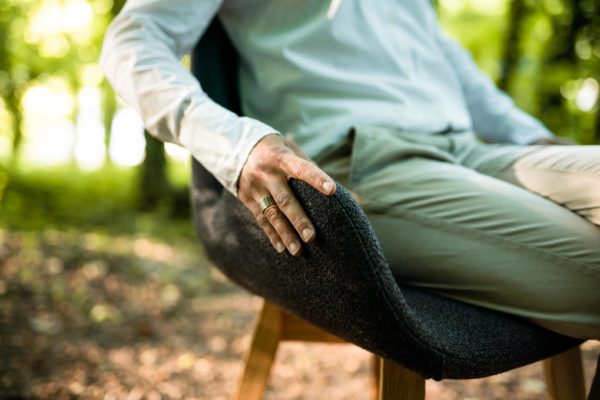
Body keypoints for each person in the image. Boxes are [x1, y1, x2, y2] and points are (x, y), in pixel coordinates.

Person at [101, 0, 600, 341]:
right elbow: (131, 44)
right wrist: (238, 146)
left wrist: (534, 138)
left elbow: (447, 61)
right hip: (363, 165)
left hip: (474, 152)